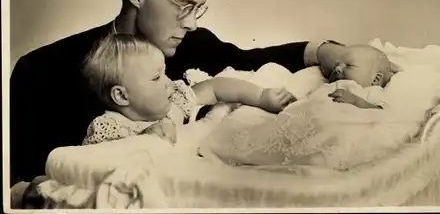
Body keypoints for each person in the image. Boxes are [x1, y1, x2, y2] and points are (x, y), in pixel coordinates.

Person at [9, 0, 395, 191]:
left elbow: (252, 59)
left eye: (199, 9)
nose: (191, 22)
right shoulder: (42, 70)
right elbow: (21, 182)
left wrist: (329, 52)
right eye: (183, 7)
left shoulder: (194, 45)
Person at [198, 45, 400, 168]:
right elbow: (310, 101)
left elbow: (381, 113)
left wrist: (357, 101)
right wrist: (294, 103)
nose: (338, 67)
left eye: (349, 66)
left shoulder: (369, 92)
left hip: (337, 126)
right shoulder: (325, 85)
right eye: (338, 63)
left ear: (376, 79)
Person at [81, 34, 297, 146]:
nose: (168, 81)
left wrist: (261, 96)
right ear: (121, 95)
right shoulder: (108, 128)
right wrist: (143, 140)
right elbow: (96, 165)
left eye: (164, 72)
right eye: (156, 77)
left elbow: (215, 87)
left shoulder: (173, 99)